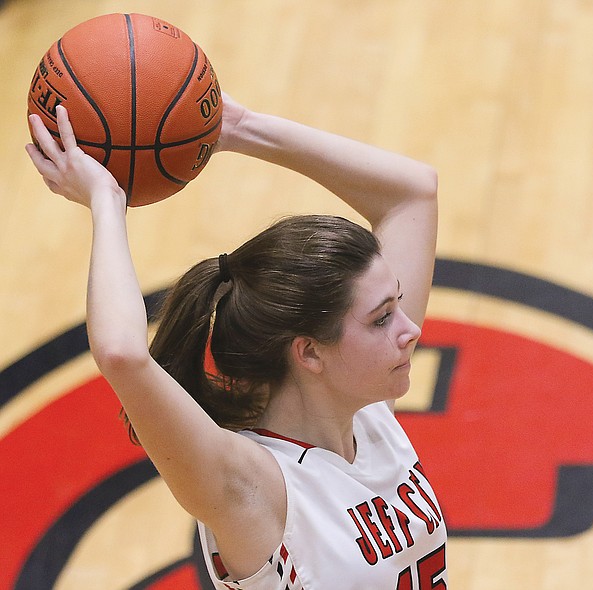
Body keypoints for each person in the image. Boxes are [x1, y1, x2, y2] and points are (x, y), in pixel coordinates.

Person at [26, 95, 446, 589]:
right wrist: (105, 202)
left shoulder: (370, 414)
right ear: (309, 352)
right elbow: (122, 353)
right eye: (381, 319)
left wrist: (240, 128)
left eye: (397, 305)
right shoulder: (254, 487)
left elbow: (414, 192)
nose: (411, 330)